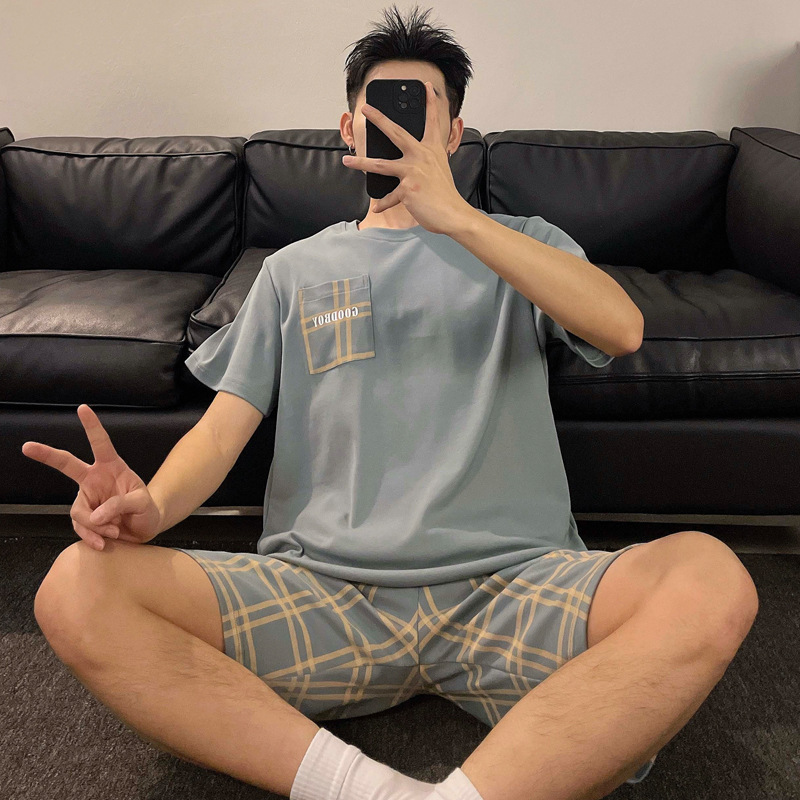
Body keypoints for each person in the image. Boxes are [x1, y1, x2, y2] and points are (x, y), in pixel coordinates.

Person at [25, 5, 759, 800]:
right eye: (378, 110)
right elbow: (222, 430)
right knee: (75, 587)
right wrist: (154, 507)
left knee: (712, 580)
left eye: (420, 109)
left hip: (514, 586)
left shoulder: (524, 244)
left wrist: (459, 219)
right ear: (348, 129)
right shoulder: (293, 270)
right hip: (322, 592)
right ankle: (366, 791)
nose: (397, 127)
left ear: (455, 134)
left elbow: (622, 328)